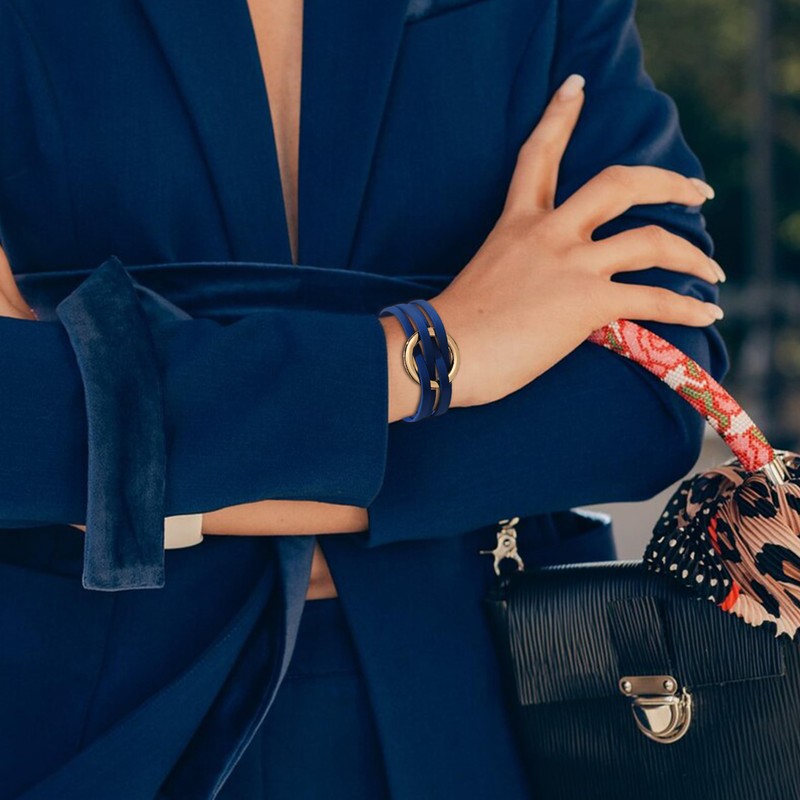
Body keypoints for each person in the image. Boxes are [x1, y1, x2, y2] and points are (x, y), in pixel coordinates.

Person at [0, 0, 728, 797]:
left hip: (480, 701)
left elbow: (651, 392)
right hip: (71, 714)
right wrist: (430, 354)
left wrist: (129, 475)